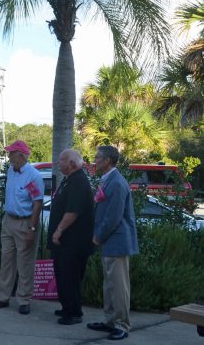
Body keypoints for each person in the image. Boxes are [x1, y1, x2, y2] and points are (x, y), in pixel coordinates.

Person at [87, 145, 139, 341]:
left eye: (97, 158)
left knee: (118, 286)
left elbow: (114, 216)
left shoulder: (116, 183)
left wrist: (97, 236)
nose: (94, 160)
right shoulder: (108, 180)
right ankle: (110, 322)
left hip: (117, 241)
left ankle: (122, 325)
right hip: (111, 242)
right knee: (109, 285)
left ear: (108, 160)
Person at [0, 140, 44, 315]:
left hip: (25, 222)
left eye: (11, 153)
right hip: (9, 221)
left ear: (20, 155)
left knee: (25, 262)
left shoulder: (33, 175)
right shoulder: (11, 171)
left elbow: (37, 204)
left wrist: (32, 229)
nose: (9, 156)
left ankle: (24, 299)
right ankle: (3, 297)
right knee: (6, 260)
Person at [47, 149, 94, 325]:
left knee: (70, 277)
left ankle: (74, 312)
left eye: (61, 160)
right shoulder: (69, 180)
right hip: (64, 243)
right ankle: (67, 307)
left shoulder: (79, 181)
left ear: (72, 163)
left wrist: (59, 230)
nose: (58, 164)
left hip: (73, 242)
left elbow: (73, 211)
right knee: (62, 275)